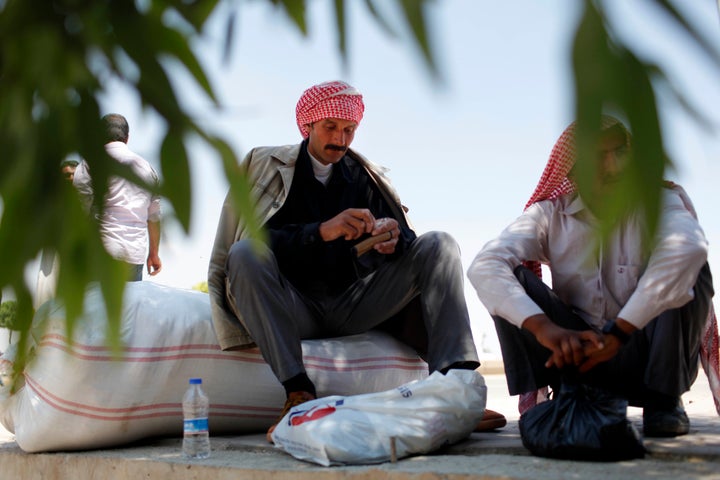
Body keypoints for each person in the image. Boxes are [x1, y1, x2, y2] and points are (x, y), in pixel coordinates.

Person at [208, 80, 506, 442]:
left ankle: (455, 392)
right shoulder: (272, 167)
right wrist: (321, 231)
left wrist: (392, 238)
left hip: (354, 302)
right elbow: (252, 240)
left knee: (439, 245)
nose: (340, 138)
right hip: (293, 306)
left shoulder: (363, 177)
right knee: (245, 254)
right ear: (308, 126)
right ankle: (298, 393)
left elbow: (409, 246)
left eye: (349, 130)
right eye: (330, 127)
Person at [468, 116, 718, 437]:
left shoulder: (658, 204)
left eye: (620, 153)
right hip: (575, 357)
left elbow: (689, 248)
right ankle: (564, 398)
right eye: (598, 157)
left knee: (692, 267)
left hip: (647, 361)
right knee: (510, 273)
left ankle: (664, 401)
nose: (613, 166)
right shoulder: (550, 214)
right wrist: (546, 330)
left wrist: (621, 331)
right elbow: (485, 265)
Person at [73, 113, 163, 281]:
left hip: (100, 252)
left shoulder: (89, 164)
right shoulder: (147, 168)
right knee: (128, 306)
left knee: (95, 305)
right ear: (127, 138)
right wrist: (154, 254)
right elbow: (154, 217)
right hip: (133, 255)